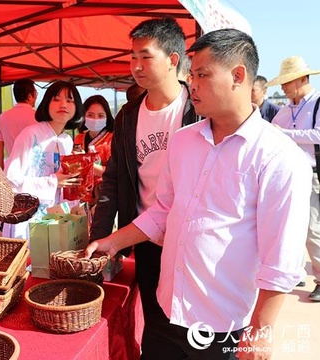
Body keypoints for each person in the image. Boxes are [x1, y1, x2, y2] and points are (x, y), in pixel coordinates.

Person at [86, 28, 311, 360]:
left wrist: (261, 329)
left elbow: (282, 257)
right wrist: (112, 241)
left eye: (203, 75)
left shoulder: (279, 156)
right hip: (167, 310)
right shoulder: (183, 141)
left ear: (238, 76)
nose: (192, 84)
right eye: (192, 75)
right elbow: (162, 210)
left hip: (223, 323)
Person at [89, 17, 198, 359]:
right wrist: (102, 235)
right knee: (156, 327)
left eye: (145, 56)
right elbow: (113, 179)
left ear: (173, 60)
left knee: (194, 330)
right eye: (132, 56)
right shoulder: (128, 116)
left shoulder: (197, 110)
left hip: (191, 242)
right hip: (145, 240)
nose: (136, 65)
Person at [3, 80, 84, 239]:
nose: (63, 105)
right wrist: (53, 181)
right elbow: (9, 180)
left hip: (54, 218)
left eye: (69, 100)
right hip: (25, 220)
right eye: (56, 99)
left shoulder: (66, 141)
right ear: (46, 103)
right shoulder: (30, 134)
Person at [268, 56, 320, 300]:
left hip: (312, 176)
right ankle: (294, 273)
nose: (283, 88)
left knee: (312, 230)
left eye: (287, 82)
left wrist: (286, 134)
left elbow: (318, 135)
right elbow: (271, 132)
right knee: (290, 227)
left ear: (302, 79)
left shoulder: (318, 103)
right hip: (290, 176)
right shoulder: (287, 109)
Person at [0, 78, 38, 169]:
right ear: (30, 96)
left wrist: (1, 170)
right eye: (36, 93)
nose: (36, 96)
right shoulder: (38, 116)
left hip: (11, 169)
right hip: (33, 169)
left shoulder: (3, 117)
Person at [74, 94, 114, 186]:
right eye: (90, 115)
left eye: (100, 115)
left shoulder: (112, 139)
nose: (95, 119)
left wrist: (86, 163)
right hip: (80, 193)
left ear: (107, 117)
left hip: (102, 194)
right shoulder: (79, 138)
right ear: (84, 116)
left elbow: (113, 172)